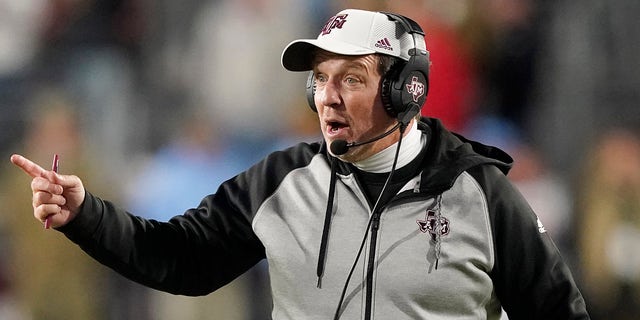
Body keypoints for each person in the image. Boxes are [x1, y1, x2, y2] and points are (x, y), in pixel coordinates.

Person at [10, 9, 589, 320]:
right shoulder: (279, 182)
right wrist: (86, 214)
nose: (326, 98)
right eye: (320, 80)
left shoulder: (480, 193)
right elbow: (178, 258)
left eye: (352, 80)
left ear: (407, 91)